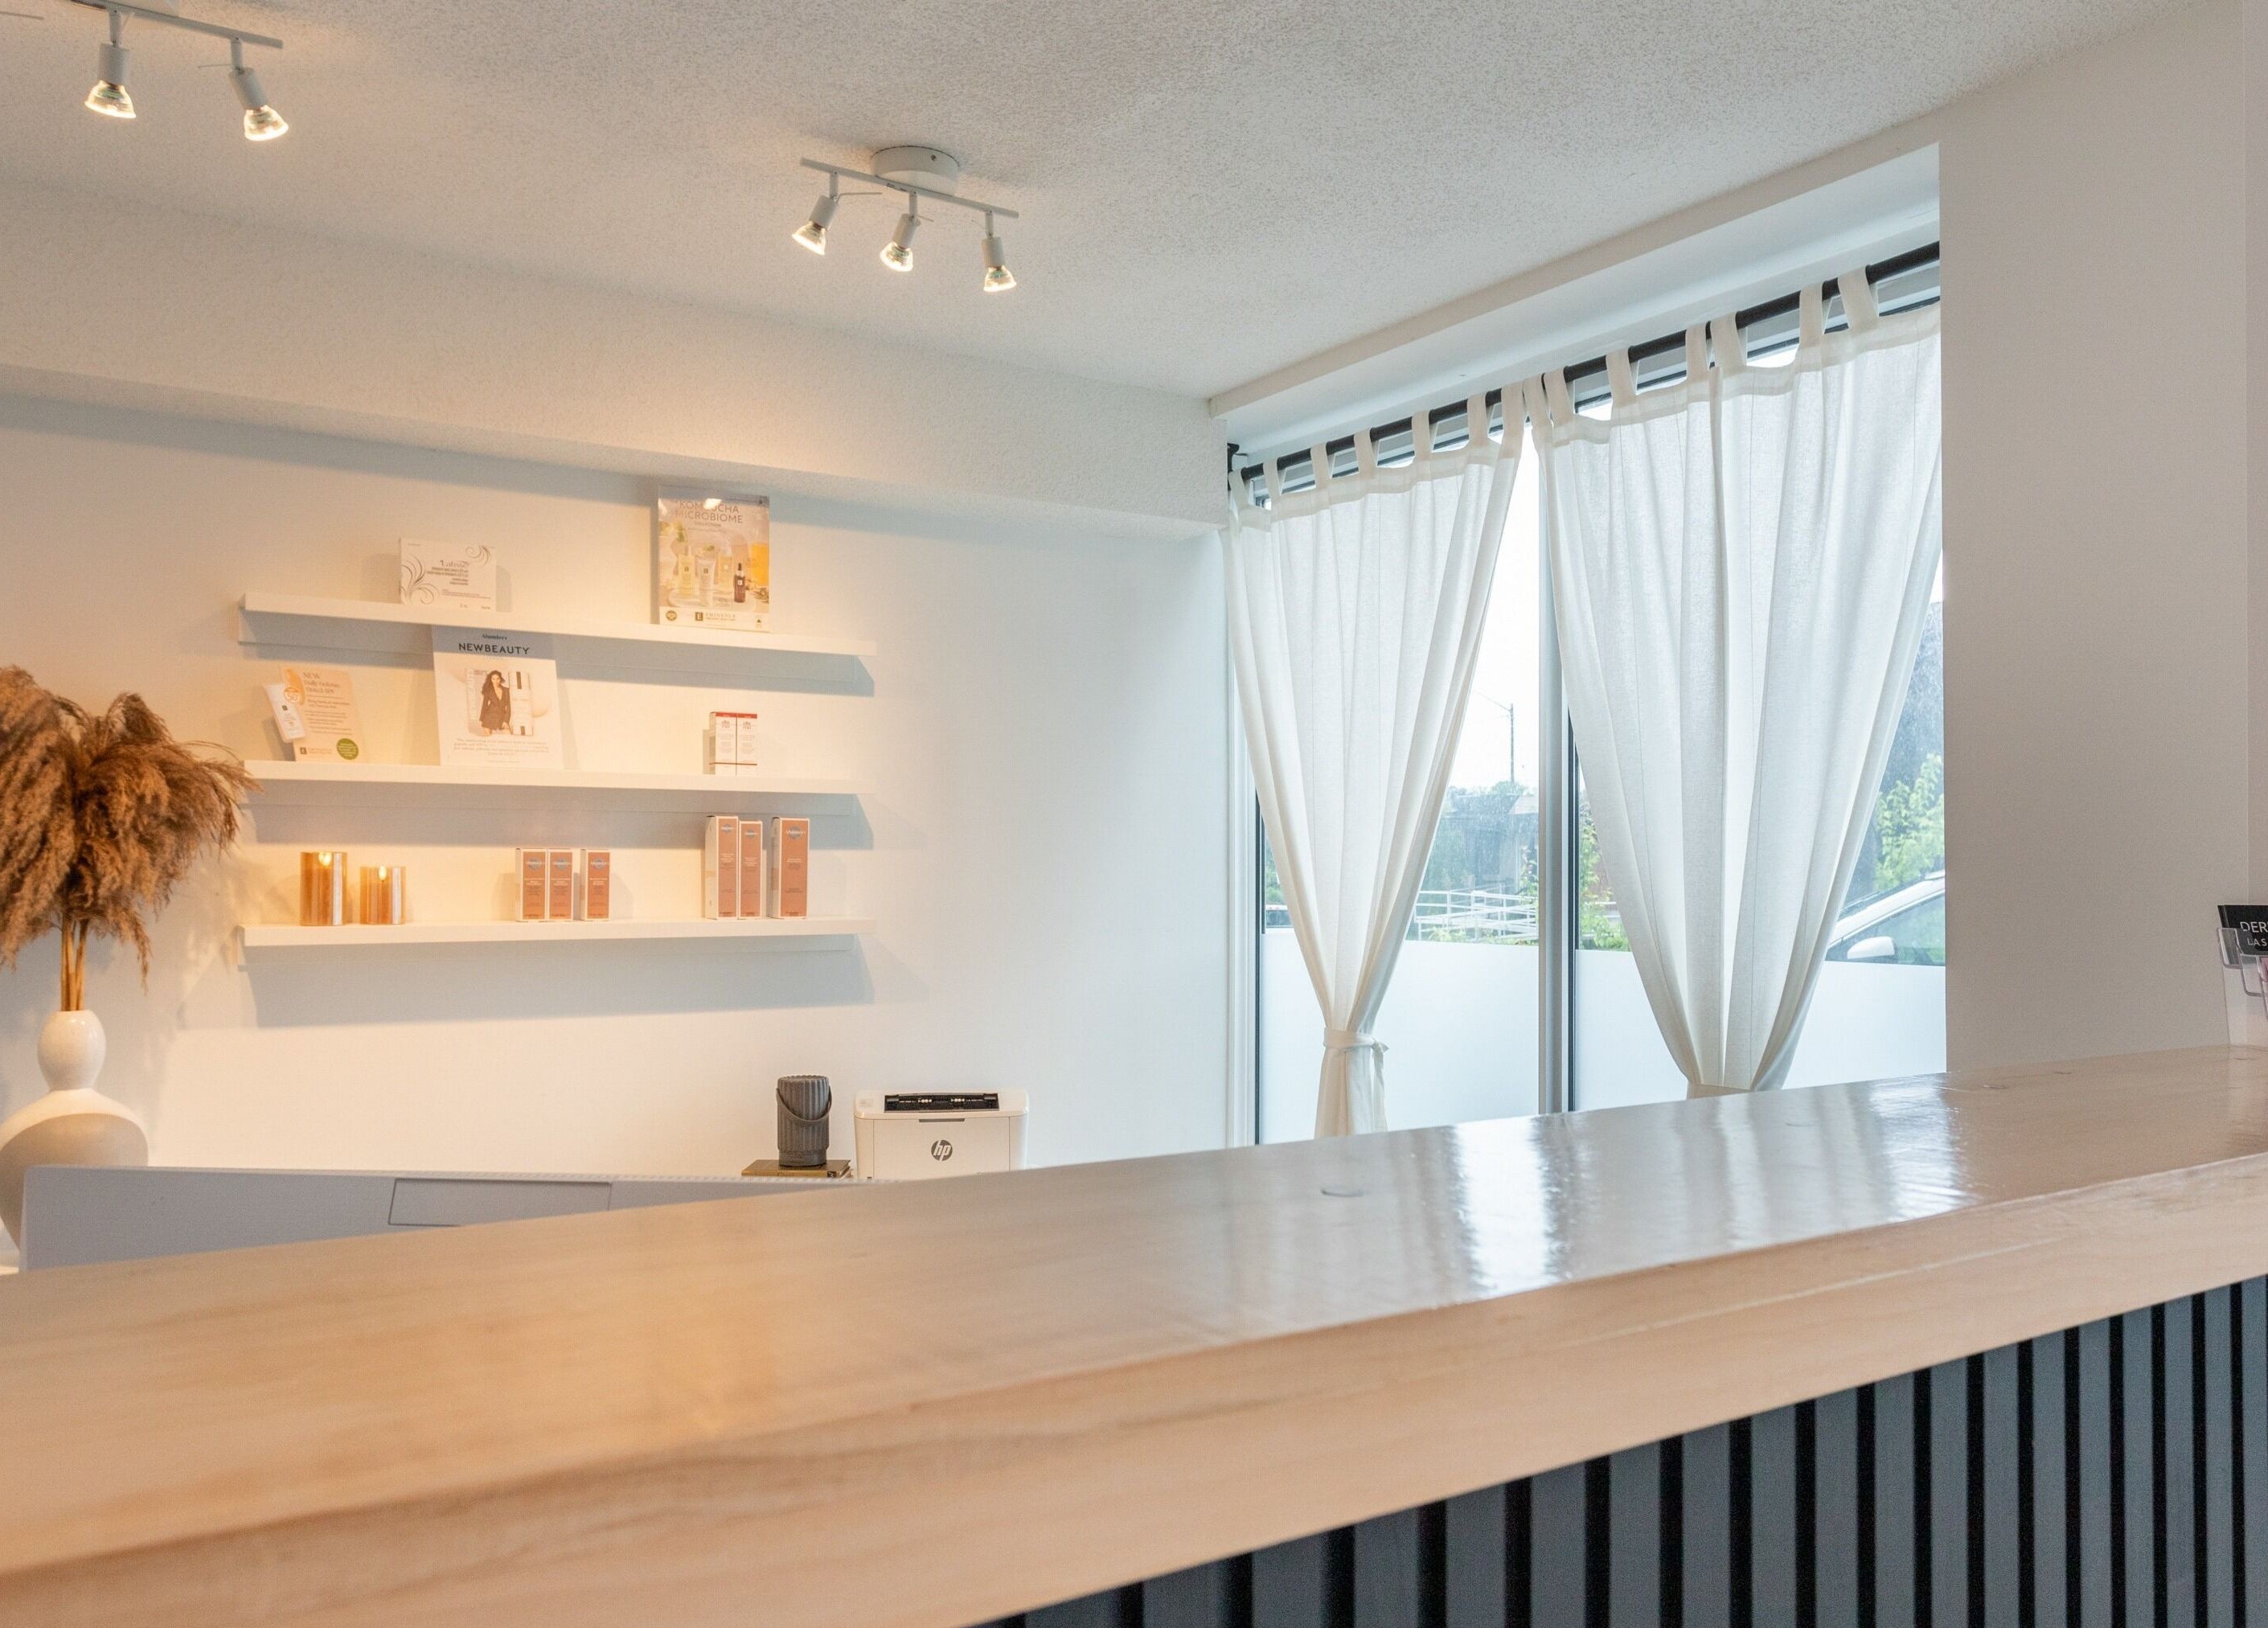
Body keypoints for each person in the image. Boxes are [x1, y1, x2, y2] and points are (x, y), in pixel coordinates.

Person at [478, 670, 511, 735]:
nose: (496, 681)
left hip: (502, 716)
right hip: (489, 717)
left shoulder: (507, 690)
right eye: (493, 679)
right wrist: (482, 719)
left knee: (508, 734)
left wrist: (506, 721)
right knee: (487, 739)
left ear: (500, 679)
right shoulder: (488, 691)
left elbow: (509, 707)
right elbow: (484, 705)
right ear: (491, 680)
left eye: (498, 679)